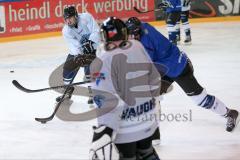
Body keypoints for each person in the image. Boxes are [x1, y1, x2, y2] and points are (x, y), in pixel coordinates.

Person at [125, 17, 239, 133]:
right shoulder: (143, 26)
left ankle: (230, 113)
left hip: (178, 68)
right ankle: (153, 128)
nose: (131, 38)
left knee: (199, 99)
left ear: (137, 32)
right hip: (165, 64)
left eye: (133, 35)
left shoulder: (147, 42)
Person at [89, 17, 161, 160]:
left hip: (124, 130)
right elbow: (155, 79)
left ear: (104, 37)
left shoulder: (102, 60)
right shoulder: (137, 46)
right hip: (147, 122)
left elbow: (107, 101)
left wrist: (104, 131)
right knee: (147, 153)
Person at [56, 6, 100, 104]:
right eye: (66, 19)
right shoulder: (66, 31)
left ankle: (92, 90)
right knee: (67, 69)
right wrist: (79, 54)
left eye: (70, 18)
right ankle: (68, 90)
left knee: (90, 69)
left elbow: (96, 31)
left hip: (92, 49)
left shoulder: (86, 18)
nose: (68, 21)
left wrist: (91, 43)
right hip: (79, 52)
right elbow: (74, 46)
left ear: (76, 16)